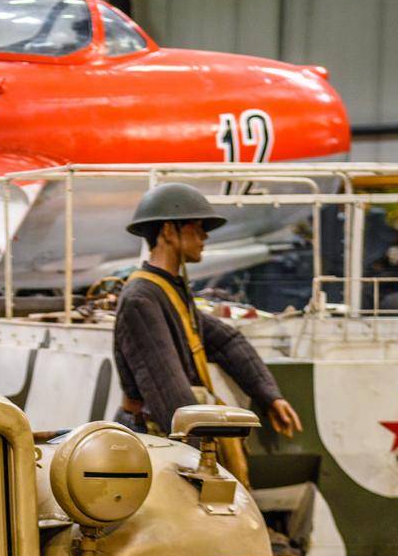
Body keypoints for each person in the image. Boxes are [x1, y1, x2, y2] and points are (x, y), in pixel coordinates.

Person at [113, 182, 302, 481]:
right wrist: (203, 463)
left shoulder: (167, 290)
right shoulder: (142, 298)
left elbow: (227, 341)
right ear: (167, 231)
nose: (204, 236)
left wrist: (269, 396)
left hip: (171, 438)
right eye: (196, 227)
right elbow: (167, 391)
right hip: (155, 446)